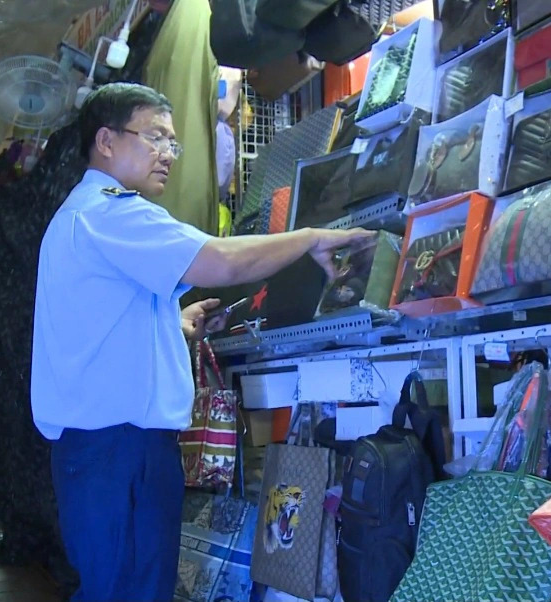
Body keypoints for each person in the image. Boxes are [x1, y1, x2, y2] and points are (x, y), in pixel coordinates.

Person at [31, 82, 372, 601]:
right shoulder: (112, 213)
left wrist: (176, 323)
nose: (167, 154)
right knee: (126, 590)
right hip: (117, 450)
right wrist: (311, 238)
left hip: (107, 447)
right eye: (154, 137)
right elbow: (222, 260)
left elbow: (102, 328)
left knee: (123, 587)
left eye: (173, 143)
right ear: (106, 140)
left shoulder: (88, 217)